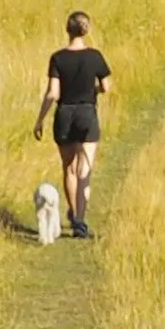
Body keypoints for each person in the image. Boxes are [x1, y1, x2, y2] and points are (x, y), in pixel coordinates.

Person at [32, 12, 111, 237]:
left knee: (68, 168)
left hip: (65, 114)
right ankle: (80, 220)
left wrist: (39, 120)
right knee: (84, 169)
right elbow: (106, 87)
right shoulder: (95, 56)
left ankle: (73, 210)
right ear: (86, 30)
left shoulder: (57, 58)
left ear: (67, 29)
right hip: (87, 113)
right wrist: (92, 90)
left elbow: (52, 93)